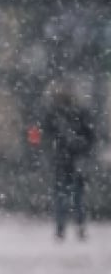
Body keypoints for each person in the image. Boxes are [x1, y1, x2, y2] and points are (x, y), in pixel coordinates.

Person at [43, 88, 97, 241]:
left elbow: (48, 135)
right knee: (76, 197)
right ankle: (76, 227)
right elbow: (90, 136)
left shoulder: (57, 115)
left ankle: (63, 229)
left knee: (64, 196)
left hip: (65, 162)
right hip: (73, 161)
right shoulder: (77, 114)